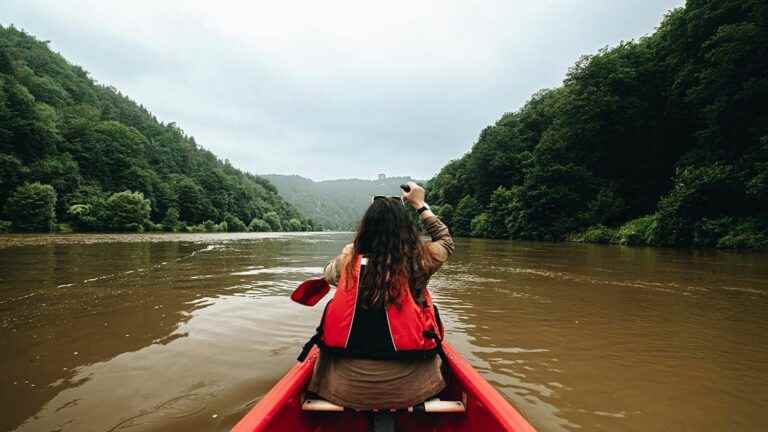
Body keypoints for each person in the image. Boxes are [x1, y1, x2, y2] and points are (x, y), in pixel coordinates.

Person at [304, 181, 455, 410]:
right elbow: (445, 241)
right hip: (410, 390)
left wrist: (352, 250)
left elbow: (327, 273)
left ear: (365, 228)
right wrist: (421, 205)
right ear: (407, 229)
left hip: (344, 389)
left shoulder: (348, 260)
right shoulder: (420, 261)